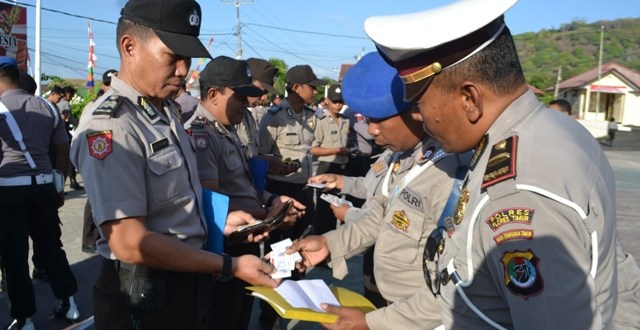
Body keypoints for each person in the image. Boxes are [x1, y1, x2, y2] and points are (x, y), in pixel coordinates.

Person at [365, 0, 640, 328]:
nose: (419, 116)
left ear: (470, 99)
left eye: (420, 102)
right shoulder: (553, 130)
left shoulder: (516, 192)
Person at [70, 1, 278, 329]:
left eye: (188, 57)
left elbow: (172, 203)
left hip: (184, 279)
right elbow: (128, 242)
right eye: (173, 56)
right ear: (129, 47)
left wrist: (220, 220)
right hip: (143, 292)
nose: (183, 69)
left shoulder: (164, 112)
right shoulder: (112, 126)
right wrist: (230, 266)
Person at [289, 51, 471, 329]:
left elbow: (455, 288)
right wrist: (330, 244)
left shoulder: (450, 171)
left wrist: (373, 323)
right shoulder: (404, 157)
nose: (372, 130)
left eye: (379, 120)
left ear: (414, 111)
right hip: (395, 307)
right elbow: (381, 216)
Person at [184, 55, 305, 330]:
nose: (246, 105)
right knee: (223, 318)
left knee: (239, 315)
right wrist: (270, 217)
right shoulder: (201, 134)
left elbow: (245, 183)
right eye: (240, 97)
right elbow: (211, 206)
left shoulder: (227, 130)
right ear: (213, 94)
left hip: (245, 240)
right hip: (224, 248)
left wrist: (274, 200)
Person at [0, 56, 80, 330]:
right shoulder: (48, 107)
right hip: (45, 185)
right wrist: (58, 185)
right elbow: (62, 150)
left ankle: (24, 319)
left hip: (9, 190)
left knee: (14, 256)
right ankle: (70, 303)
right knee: (51, 248)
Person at [257, 64, 325, 328]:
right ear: (297, 88)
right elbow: (261, 154)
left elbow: (311, 149)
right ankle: (270, 312)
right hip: (280, 192)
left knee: (301, 246)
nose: (316, 91)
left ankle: (295, 301)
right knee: (279, 252)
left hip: (304, 189)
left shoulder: (311, 115)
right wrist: (279, 164)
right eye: (311, 86)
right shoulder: (273, 116)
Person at [309, 83, 351, 236]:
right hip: (326, 168)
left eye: (341, 101)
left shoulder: (346, 120)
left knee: (337, 210)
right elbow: (313, 149)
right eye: (335, 101)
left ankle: (331, 245)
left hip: (341, 169)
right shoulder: (320, 120)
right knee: (323, 213)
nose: (338, 105)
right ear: (327, 101)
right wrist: (338, 150)